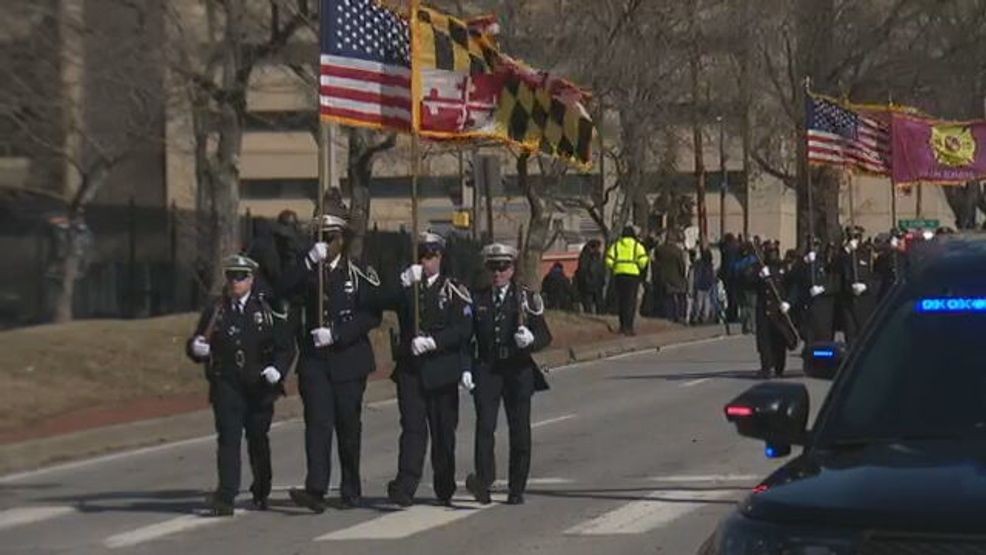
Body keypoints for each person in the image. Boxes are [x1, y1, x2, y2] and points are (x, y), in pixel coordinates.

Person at [279, 214, 382, 513]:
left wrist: (337, 333)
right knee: (317, 424)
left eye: (329, 237)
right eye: (318, 237)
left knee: (348, 427)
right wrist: (309, 261)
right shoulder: (308, 270)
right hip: (315, 362)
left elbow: (371, 314)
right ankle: (316, 488)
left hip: (349, 360)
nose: (323, 242)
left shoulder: (358, 273)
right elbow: (281, 290)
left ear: (342, 240)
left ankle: (351, 488)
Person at [186, 254, 294, 516]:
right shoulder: (217, 310)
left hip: (258, 384)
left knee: (257, 438)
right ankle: (226, 495)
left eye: (241, 277)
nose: (235, 282)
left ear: (251, 279)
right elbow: (199, 340)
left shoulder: (266, 308)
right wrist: (195, 348)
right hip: (227, 383)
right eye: (231, 276)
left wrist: (277, 370)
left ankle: (261, 488)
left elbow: (285, 346)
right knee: (228, 439)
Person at [382, 232, 474, 507]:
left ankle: (444, 484)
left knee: (443, 431)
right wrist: (400, 282)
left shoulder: (453, 289)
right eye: (422, 256)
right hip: (411, 371)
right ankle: (405, 485)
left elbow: (464, 329)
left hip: (442, 370)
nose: (426, 261)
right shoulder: (407, 287)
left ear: (440, 258)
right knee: (412, 429)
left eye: (431, 256)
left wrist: (435, 341)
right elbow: (375, 301)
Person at [465, 244, 552, 506]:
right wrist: (466, 368)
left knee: (520, 432)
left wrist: (531, 340)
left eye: (503, 267)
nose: (498, 273)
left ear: (512, 269)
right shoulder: (476, 298)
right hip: (488, 368)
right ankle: (484, 481)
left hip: (517, 369)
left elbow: (546, 335)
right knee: (484, 428)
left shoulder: (525, 298)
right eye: (493, 267)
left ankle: (517, 487)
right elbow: (468, 338)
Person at [754, 241, 795, 378]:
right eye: (769, 252)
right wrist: (758, 276)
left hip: (779, 310)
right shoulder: (759, 268)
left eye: (773, 252)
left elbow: (792, 286)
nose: (771, 255)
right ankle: (766, 367)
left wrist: (788, 302)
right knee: (765, 341)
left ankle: (779, 367)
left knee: (779, 341)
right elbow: (746, 281)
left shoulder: (784, 269)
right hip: (764, 310)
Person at [788, 237, 835, 348]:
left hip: (824, 309)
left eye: (816, 245)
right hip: (808, 308)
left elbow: (835, 280)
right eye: (811, 245)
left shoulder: (825, 262)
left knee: (824, 345)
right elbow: (794, 281)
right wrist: (804, 262)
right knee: (810, 344)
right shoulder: (802, 264)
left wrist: (823, 288)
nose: (814, 248)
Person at [835, 226, 878, 346]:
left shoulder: (867, 253)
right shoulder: (842, 254)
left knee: (865, 336)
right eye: (850, 237)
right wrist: (846, 251)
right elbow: (834, 268)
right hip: (848, 300)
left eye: (856, 237)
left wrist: (866, 286)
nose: (853, 240)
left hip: (865, 302)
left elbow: (877, 276)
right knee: (850, 335)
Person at [605, 226, 650, 335]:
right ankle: (628, 327)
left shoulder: (616, 245)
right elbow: (643, 261)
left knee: (621, 301)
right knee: (630, 302)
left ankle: (622, 326)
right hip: (632, 275)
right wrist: (638, 266)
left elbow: (608, 260)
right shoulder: (637, 246)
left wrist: (615, 267)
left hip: (619, 275)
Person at [654, 233, 688, 323]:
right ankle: (681, 315)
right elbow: (681, 265)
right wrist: (683, 275)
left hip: (664, 276)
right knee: (681, 296)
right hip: (676, 276)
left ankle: (670, 315)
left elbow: (656, 261)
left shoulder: (660, 249)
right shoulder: (678, 251)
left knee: (668, 297)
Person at [575, 240, 606, 314]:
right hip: (590, 282)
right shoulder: (591, 256)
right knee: (591, 301)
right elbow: (586, 269)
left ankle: (594, 314)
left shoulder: (587, 255)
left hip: (592, 282)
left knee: (593, 302)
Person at [689, 247, 716, 325]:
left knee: (699, 302)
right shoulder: (710, 265)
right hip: (707, 285)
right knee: (707, 301)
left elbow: (696, 274)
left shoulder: (699, 263)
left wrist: (695, 284)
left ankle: (696, 316)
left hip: (700, 285)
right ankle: (705, 316)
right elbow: (712, 275)